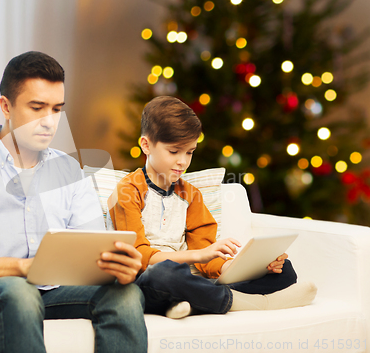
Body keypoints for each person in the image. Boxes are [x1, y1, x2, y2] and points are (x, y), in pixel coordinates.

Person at [0, 51, 147, 353]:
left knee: (126, 294)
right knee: (17, 290)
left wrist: (117, 265)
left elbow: (91, 246)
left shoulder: (69, 171)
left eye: (56, 109)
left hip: (48, 293)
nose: (49, 121)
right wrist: (22, 267)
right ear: (6, 106)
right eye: (37, 107)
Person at [108, 96, 317, 319]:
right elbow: (140, 257)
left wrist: (248, 266)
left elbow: (208, 258)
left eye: (189, 152)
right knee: (165, 273)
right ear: (146, 145)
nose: (183, 162)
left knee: (285, 271)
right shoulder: (128, 191)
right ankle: (254, 302)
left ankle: (191, 303)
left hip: (189, 281)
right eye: (174, 151)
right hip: (148, 280)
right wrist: (198, 255)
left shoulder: (191, 195)